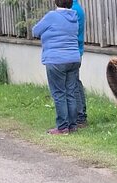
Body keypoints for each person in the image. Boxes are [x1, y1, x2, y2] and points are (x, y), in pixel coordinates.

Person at [32, 0, 80, 135]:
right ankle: (72, 125)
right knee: (70, 93)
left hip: (56, 60)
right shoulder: (74, 17)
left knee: (59, 93)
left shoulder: (52, 16)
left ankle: (63, 127)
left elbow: (35, 31)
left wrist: (46, 35)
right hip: (74, 58)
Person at [72, 0, 87, 128]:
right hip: (77, 50)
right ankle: (81, 114)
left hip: (73, 51)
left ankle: (80, 116)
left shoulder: (73, 10)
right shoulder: (76, 7)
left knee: (74, 84)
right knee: (76, 82)